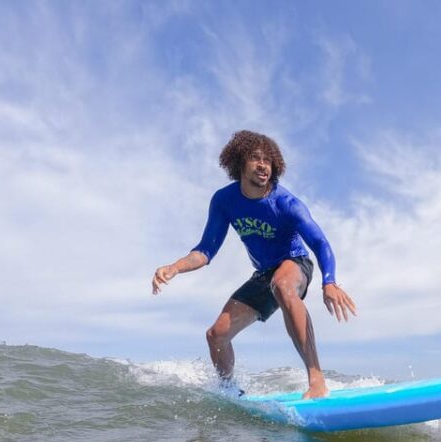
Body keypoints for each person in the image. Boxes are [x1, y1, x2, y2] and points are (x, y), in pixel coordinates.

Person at [152, 130, 356, 399]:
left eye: (268, 161)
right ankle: (230, 392)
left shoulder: (285, 203)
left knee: (282, 284)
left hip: (295, 263)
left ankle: (316, 380)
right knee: (216, 335)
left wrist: (329, 282)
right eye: (255, 158)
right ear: (239, 163)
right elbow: (205, 250)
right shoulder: (224, 201)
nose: (263, 165)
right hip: (263, 275)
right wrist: (175, 267)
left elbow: (320, 243)